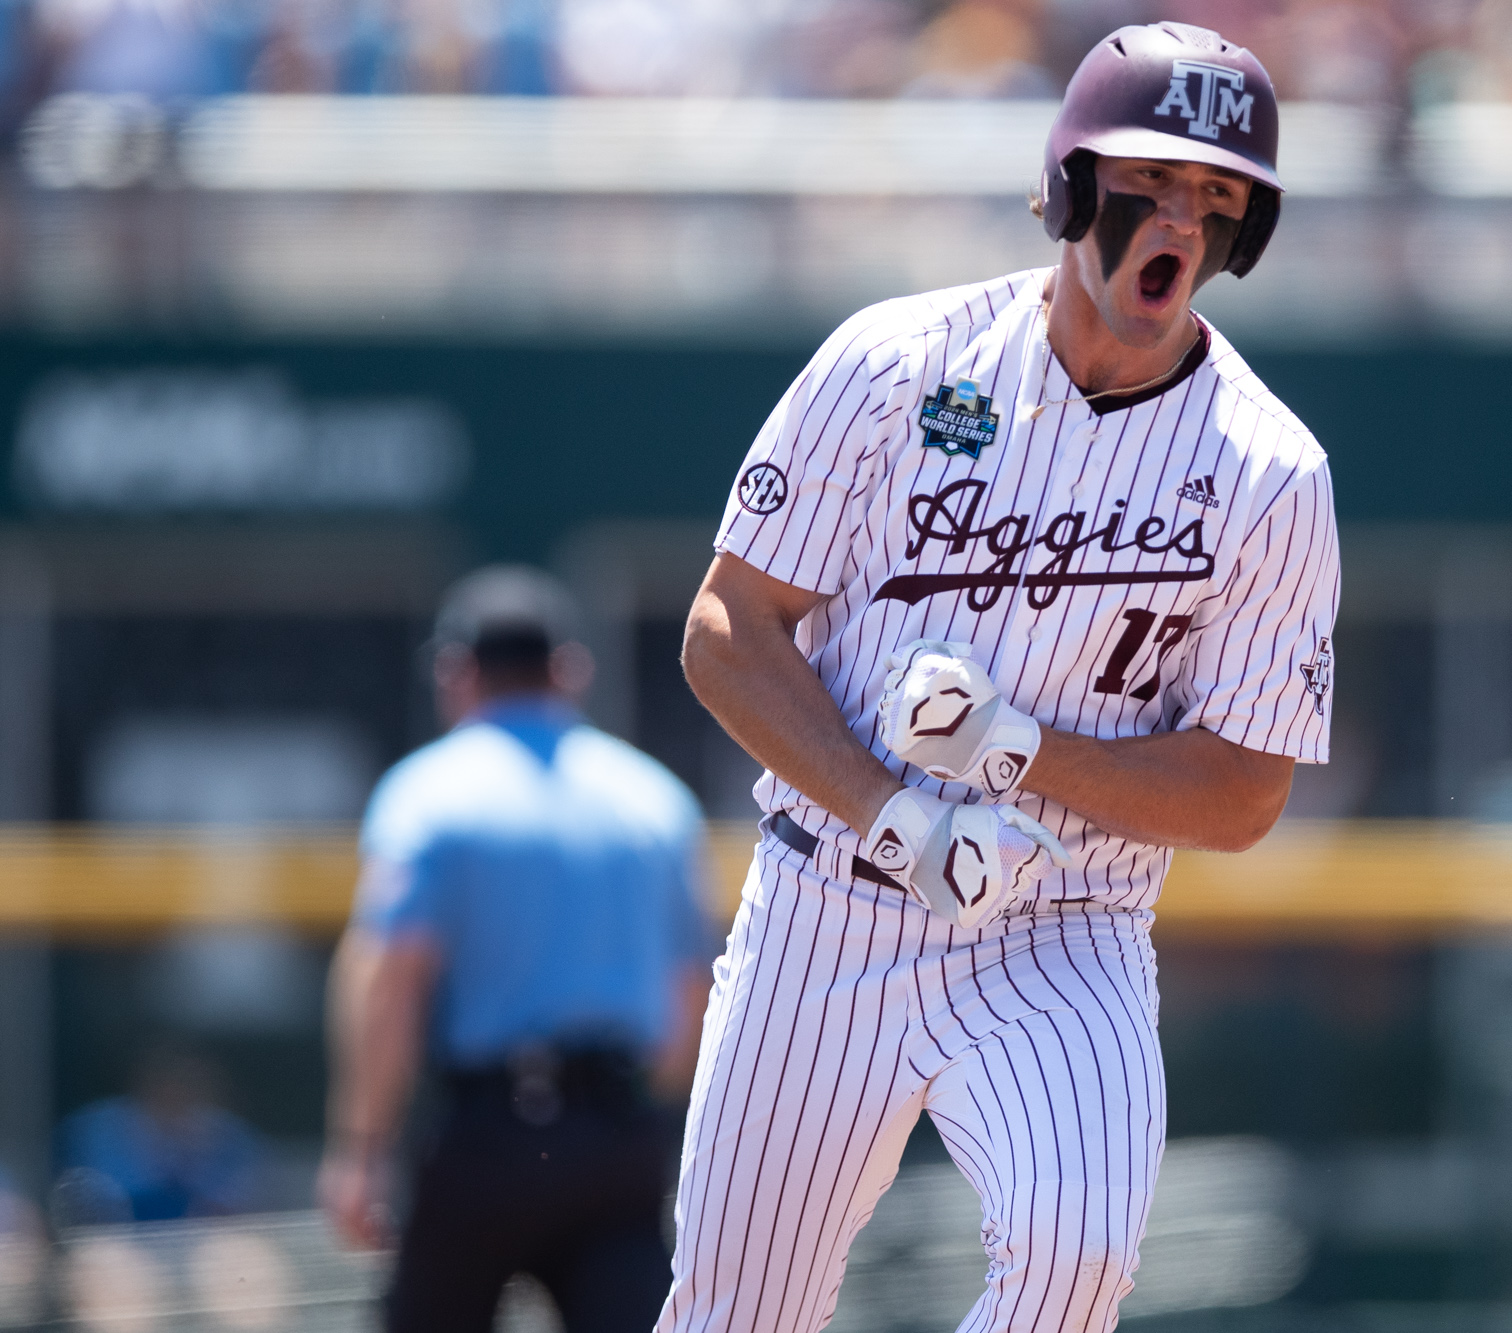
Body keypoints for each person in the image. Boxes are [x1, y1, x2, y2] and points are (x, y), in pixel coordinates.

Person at [666, 22, 1339, 1333]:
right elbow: (729, 628)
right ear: (1075, 187)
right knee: (739, 1312)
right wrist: (897, 811)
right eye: (1152, 181)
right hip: (830, 909)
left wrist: (1017, 745)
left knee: (1078, 1254)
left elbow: (1246, 792)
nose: (1182, 220)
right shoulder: (896, 362)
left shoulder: (1270, 470)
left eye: (1217, 195)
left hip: (1064, 917)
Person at [318, 565, 716, 1333]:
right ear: (571, 671)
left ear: (454, 673)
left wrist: (361, 1145)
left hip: (482, 1131)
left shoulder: (427, 794)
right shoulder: (653, 800)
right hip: (615, 1130)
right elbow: (691, 1000)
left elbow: (390, 977)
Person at [57, 1044, 262, 1222]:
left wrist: (196, 1163)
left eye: (190, 1081)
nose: (177, 1090)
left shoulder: (229, 1134)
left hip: (200, 1248)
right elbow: (92, 1206)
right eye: (168, 1079)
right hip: (119, 1246)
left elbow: (248, 1204)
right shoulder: (96, 1128)